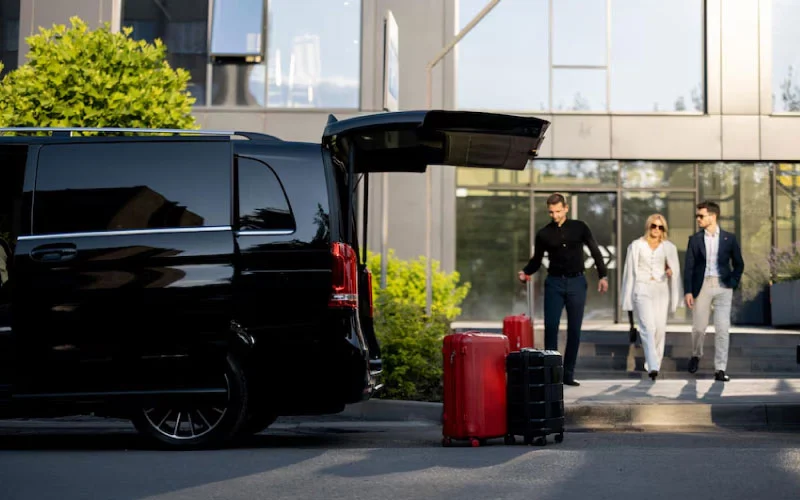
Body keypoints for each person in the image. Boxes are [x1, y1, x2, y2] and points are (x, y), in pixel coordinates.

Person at [518, 193, 609, 386]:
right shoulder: (544, 234)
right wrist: (526, 272)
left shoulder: (580, 227)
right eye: (551, 212)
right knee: (551, 328)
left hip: (577, 283)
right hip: (554, 284)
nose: (555, 215)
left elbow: (594, 250)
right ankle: (552, 376)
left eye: (558, 211)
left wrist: (603, 275)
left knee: (574, 330)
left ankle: (568, 375)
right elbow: (536, 260)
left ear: (566, 209)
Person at [684, 201, 744, 382]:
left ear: (712, 216)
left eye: (701, 216)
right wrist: (688, 291)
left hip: (723, 287)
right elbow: (689, 267)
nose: (698, 219)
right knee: (699, 327)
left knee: (722, 328)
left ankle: (720, 369)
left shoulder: (729, 238)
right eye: (697, 216)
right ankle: (696, 354)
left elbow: (739, 264)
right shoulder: (694, 239)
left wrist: (733, 281)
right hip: (701, 286)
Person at [620, 214, 683, 381]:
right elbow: (629, 272)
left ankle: (655, 363)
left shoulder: (668, 247)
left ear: (664, 229)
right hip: (642, 288)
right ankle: (652, 365)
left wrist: (671, 272)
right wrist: (627, 297)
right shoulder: (636, 245)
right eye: (654, 226)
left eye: (660, 227)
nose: (656, 229)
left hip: (661, 289)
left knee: (660, 329)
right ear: (648, 227)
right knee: (648, 328)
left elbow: (675, 271)